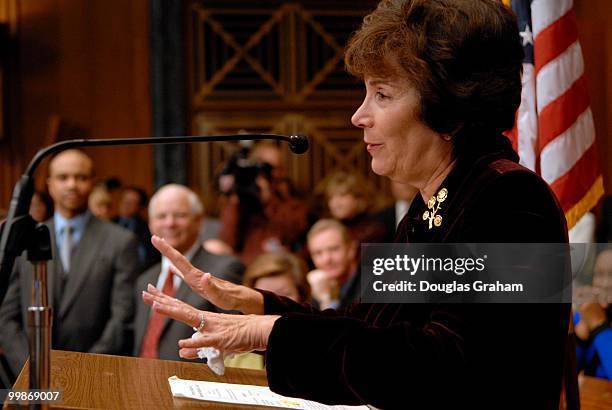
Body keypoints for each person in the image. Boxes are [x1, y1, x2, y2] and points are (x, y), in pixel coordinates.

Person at [141, 1, 570, 408]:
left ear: (449, 107)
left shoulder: (512, 201)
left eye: (382, 95)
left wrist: (271, 333)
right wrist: (254, 304)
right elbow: (367, 327)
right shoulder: (432, 205)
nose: (358, 115)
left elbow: (444, 367)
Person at [0, 149, 139, 378]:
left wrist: (82, 370)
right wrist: (32, 367)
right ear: (50, 184)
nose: (72, 185)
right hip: (31, 373)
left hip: (94, 374)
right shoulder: (26, 239)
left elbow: (122, 317)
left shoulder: (120, 241)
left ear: (93, 182)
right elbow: (6, 314)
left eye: (81, 177)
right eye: (63, 177)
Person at [133, 184, 244, 361]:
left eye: (180, 215)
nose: (170, 223)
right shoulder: (145, 279)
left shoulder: (223, 269)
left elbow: (235, 337)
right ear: (150, 223)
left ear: (199, 221)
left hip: (193, 384)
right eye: (161, 216)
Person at [305, 219, 359, 310]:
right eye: (318, 253)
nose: (326, 259)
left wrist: (326, 300)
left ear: (351, 249)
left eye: (334, 249)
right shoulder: (315, 290)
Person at [114, 186, 159, 271]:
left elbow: (151, 258)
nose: (125, 205)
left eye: (131, 202)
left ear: (140, 207)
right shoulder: (110, 223)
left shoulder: (148, 229)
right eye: (124, 200)